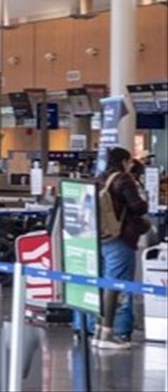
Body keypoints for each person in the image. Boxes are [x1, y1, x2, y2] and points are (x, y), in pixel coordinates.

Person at [76, 147, 150, 349]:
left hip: (98, 237)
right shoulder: (124, 180)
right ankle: (109, 333)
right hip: (119, 237)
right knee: (117, 284)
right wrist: (145, 199)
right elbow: (138, 208)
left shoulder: (99, 178)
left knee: (101, 282)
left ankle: (97, 330)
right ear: (125, 161)